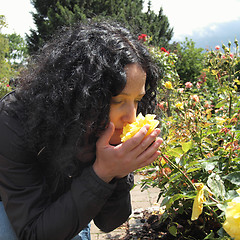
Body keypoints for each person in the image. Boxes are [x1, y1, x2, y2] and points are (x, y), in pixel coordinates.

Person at [0, 20, 162, 240]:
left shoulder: (105, 127)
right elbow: (33, 232)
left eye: (137, 100)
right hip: (11, 204)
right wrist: (102, 172)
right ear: (83, 94)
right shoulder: (15, 120)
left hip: (67, 207)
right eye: (117, 100)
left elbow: (108, 222)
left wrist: (118, 172)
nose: (131, 116)